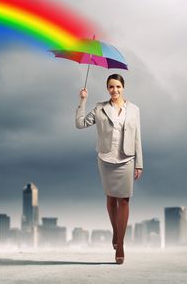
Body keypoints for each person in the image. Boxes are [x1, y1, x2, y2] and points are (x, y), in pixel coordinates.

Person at [75, 73, 143, 264]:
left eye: (118, 87)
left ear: (123, 88)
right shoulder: (100, 108)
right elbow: (79, 124)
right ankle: (116, 232)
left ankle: (119, 244)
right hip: (105, 159)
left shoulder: (134, 110)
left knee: (125, 200)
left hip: (127, 159)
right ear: (107, 88)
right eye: (111, 87)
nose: (115, 90)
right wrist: (82, 101)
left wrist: (139, 163)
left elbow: (137, 136)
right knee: (111, 198)